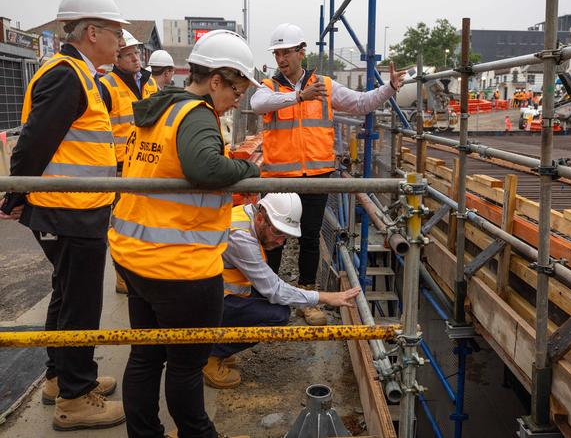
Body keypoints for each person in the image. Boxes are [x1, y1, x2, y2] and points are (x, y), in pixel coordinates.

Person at [108, 29, 259, 438]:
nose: (239, 97)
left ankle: (145, 434)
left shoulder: (159, 109)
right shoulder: (196, 114)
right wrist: (248, 170)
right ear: (216, 80)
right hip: (180, 267)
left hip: (136, 258)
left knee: (146, 357)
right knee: (186, 366)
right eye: (238, 87)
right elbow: (205, 169)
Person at [0, 0, 127, 431]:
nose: (120, 40)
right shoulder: (66, 75)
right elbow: (35, 141)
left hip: (77, 208)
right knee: (79, 303)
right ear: (91, 31)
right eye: (115, 31)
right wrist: (16, 193)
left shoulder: (81, 74)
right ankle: (75, 397)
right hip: (67, 209)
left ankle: (60, 377)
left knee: (68, 295)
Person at [250, 23, 405, 326]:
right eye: (277, 53)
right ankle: (265, 297)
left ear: (301, 52)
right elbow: (258, 105)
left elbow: (360, 104)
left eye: (287, 52)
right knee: (271, 238)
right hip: (279, 179)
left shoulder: (325, 85)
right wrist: (298, 97)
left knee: (309, 237)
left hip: (317, 176)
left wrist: (390, 88)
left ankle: (307, 295)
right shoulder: (269, 87)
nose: (281, 58)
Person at [202, 193, 361, 388]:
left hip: (212, 294)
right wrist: (325, 297)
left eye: (285, 235)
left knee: (275, 305)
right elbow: (274, 290)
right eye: (278, 232)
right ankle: (209, 353)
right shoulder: (240, 237)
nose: (280, 241)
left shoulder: (246, 218)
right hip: (204, 301)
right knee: (276, 316)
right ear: (261, 218)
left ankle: (218, 346)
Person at [100, 29, 158, 175]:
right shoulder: (106, 86)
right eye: (128, 55)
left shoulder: (150, 83)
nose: (135, 58)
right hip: (119, 165)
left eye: (136, 53)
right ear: (117, 60)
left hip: (146, 159)